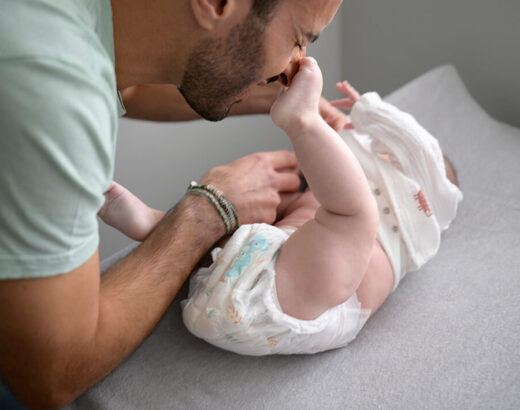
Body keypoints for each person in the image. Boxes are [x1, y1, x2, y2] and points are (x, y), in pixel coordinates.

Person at [0, 0, 345, 407]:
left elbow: (128, 85)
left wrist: (253, 88)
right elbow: (51, 375)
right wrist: (208, 211)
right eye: (298, 40)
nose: (295, 65)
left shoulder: (78, 27)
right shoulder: (50, 83)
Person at [101, 58, 463, 356]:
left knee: (356, 215)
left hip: (317, 303)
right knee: (246, 225)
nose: (359, 146)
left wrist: (321, 131)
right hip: (242, 283)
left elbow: (360, 189)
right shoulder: (320, 201)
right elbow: (308, 194)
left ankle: (300, 121)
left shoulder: (404, 221)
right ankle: (159, 225)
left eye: (381, 152)